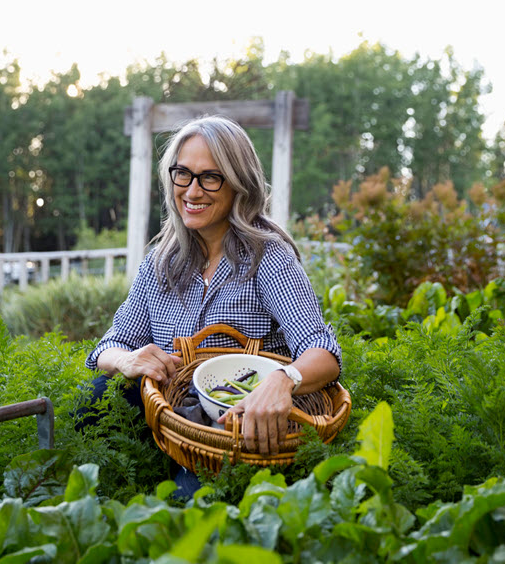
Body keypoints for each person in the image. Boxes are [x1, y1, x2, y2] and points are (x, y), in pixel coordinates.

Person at [80, 114, 341, 487]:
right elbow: (107, 346)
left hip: (238, 430)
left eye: (211, 177)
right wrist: (129, 359)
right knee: (96, 397)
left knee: (192, 511)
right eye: (182, 174)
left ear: (239, 184)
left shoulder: (266, 257)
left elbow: (323, 350)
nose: (192, 191)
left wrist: (285, 379)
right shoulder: (161, 262)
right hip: (172, 424)